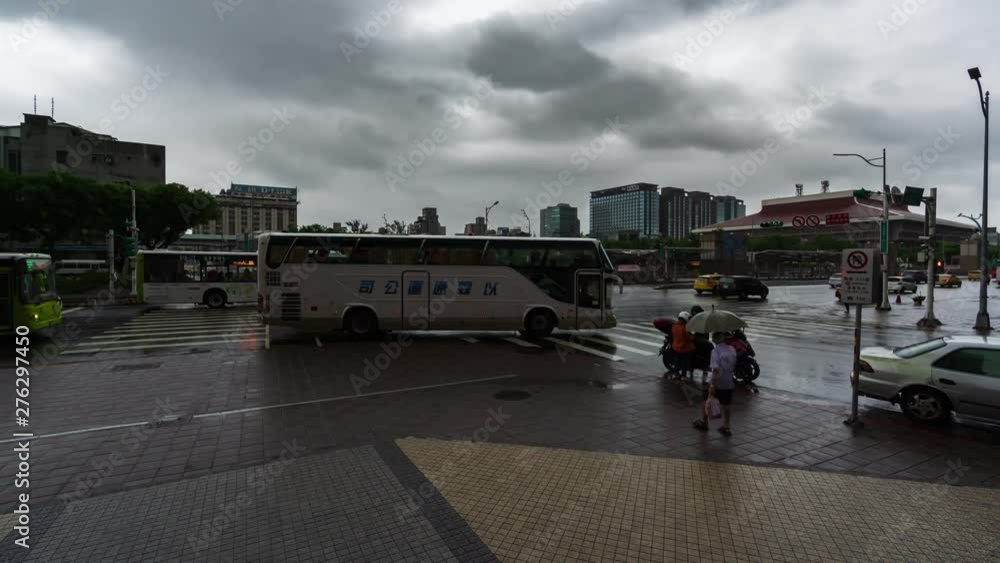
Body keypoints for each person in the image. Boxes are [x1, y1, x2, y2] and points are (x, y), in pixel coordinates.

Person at [694, 332, 737, 435]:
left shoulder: (715, 351)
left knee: (705, 400)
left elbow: (716, 370)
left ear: (718, 338)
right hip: (728, 381)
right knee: (726, 404)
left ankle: (705, 423)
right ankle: (726, 426)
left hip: (716, 381)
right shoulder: (732, 349)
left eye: (714, 335)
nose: (712, 337)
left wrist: (712, 385)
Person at [671, 312, 695, 380]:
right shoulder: (684, 327)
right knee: (684, 362)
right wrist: (693, 337)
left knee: (677, 361)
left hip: (676, 347)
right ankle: (683, 376)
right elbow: (689, 337)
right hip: (684, 348)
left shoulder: (674, 325)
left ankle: (676, 374)